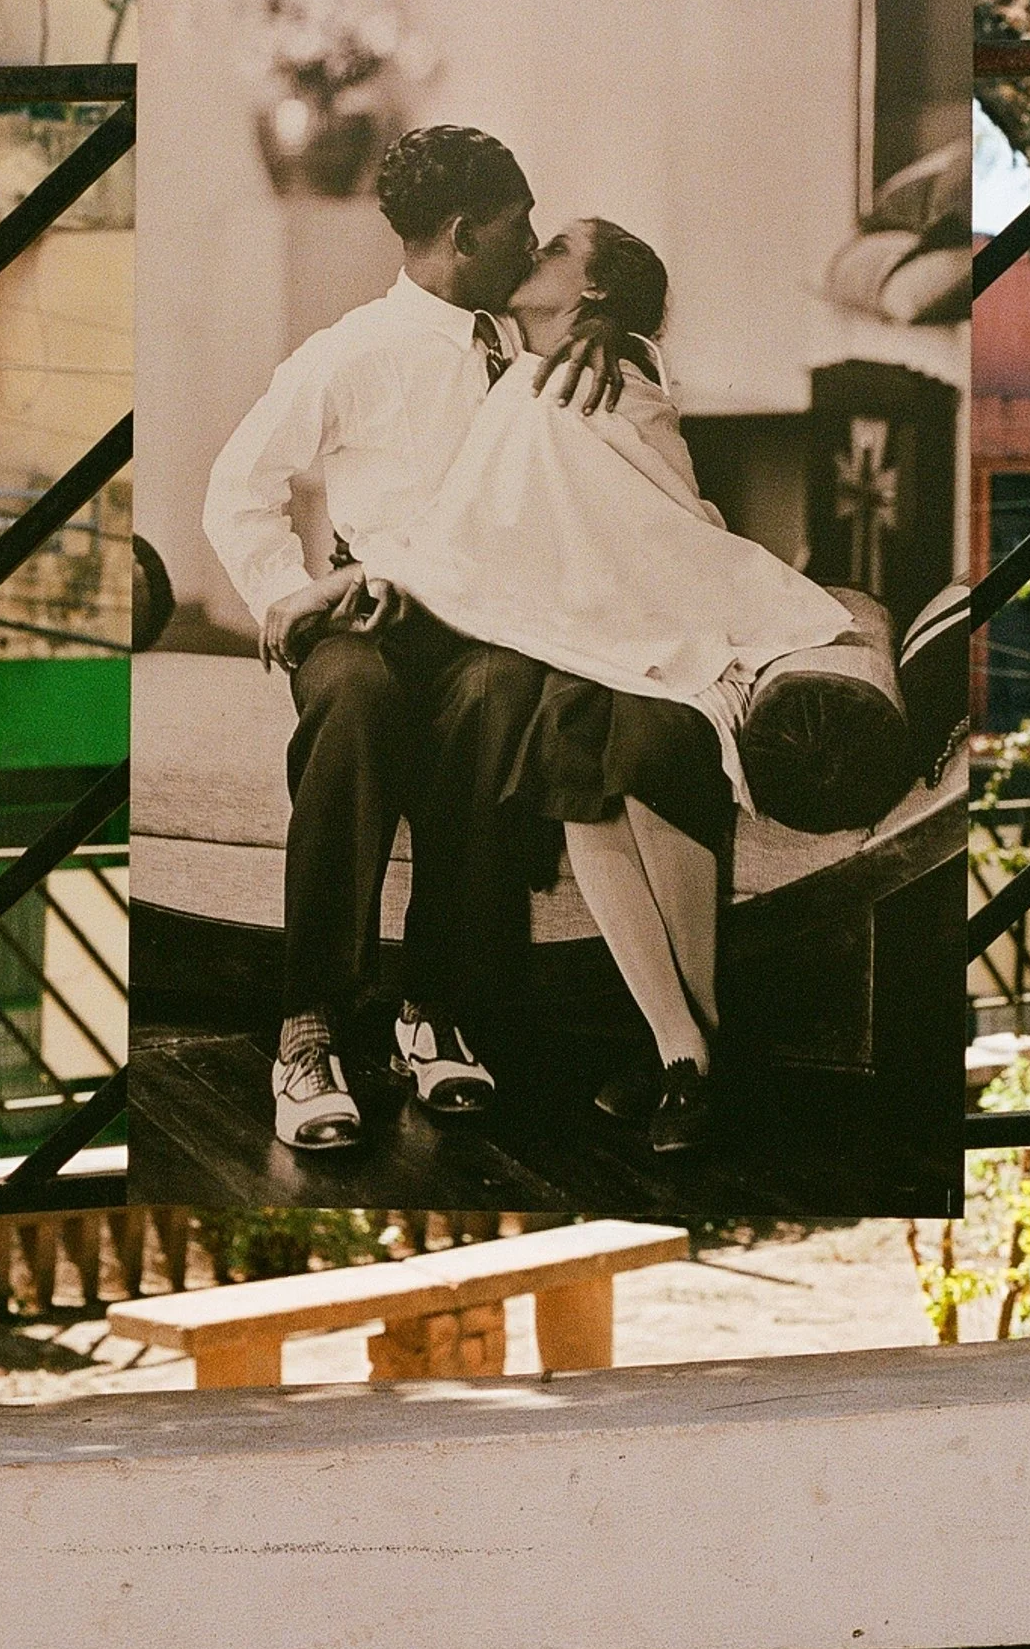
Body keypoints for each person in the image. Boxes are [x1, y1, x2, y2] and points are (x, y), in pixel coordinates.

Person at [360, 217, 851, 1152]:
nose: (531, 252)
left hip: (646, 610)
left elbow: (639, 513)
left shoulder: (609, 371)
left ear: (593, 292)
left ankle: (687, 1054)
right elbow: (492, 517)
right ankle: (692, 1051)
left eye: (555, 249)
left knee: (654, 741)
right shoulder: (516, 353)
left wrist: (612, 336)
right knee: (573, 755)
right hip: (572, 625)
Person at [202, 126, 625, 1153]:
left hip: (479, 624)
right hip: (365, 621)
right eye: (519, 224)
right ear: (463, 233)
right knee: (357, 701)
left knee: (498, 692)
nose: (530, 242)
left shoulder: (525, 339)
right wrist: (296, 592)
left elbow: (614, 310)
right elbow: (236, 488)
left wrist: (611, 327)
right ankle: (307, 1029)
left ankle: (433, 1008)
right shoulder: (352, 352)